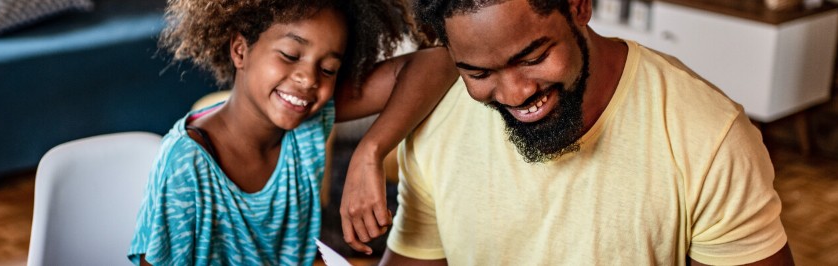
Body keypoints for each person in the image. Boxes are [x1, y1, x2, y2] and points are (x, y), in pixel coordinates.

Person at [337, 0, 796, 264]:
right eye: (479, 73)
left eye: (533, 57)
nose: (515, 93)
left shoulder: (708, 137)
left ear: (579, 5)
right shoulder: (438, 118)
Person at [125, 0, 456, 264]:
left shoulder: (306, 120)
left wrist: (370, 151)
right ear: (240, 50)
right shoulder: (185, 164)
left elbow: (441, 62)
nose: (309, 79)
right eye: (290, 55)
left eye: (328, 69)